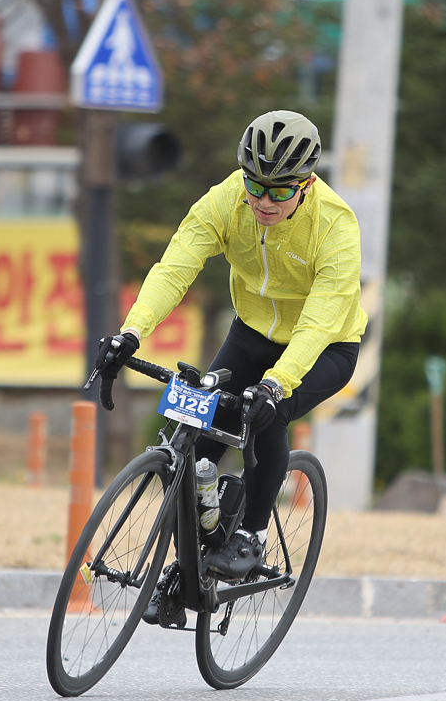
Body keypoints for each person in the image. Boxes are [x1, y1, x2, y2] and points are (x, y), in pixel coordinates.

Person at [95, 109, 364, 581]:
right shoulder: (227, 200)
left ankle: (252, 535)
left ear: (306, 184)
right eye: (254, 185)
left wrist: (276, 384)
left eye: (279, 191)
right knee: (200, 441)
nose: (263, 200)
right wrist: (131, 333)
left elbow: (319, 322)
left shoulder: (336, 227)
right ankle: (187, 572)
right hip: (250, 333)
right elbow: (175, 267)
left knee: (267, 416)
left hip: (324, 347)